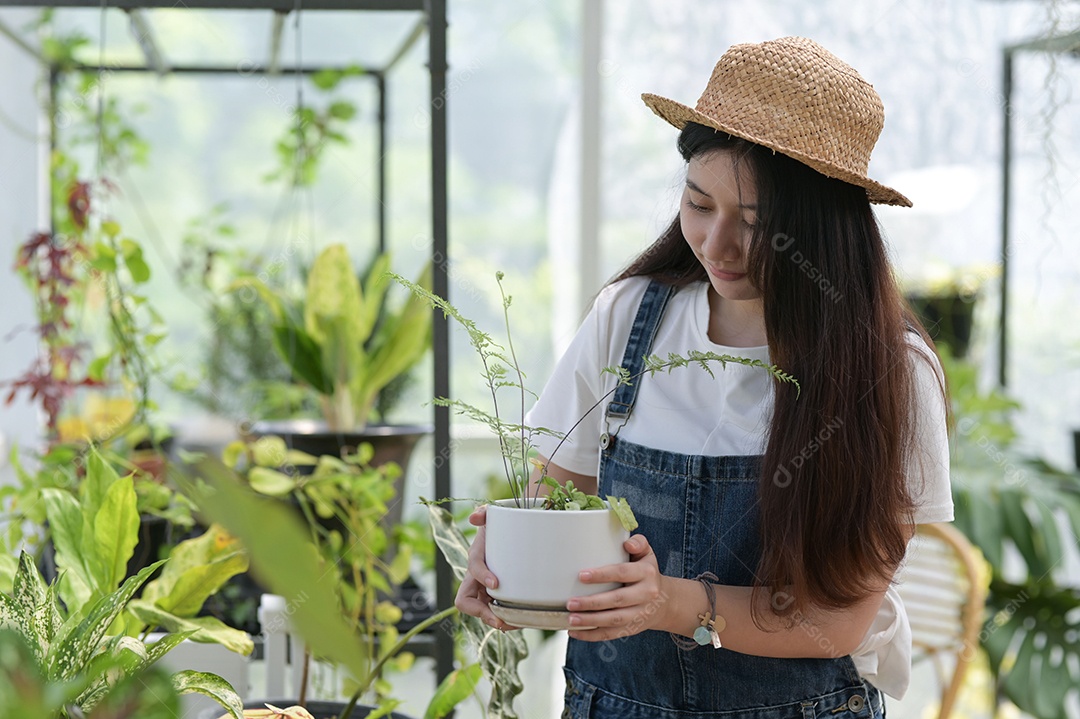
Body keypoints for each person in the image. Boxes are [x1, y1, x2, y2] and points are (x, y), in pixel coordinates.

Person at [456, 36, 952, 719]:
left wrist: (669, 602)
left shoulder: (889, 371)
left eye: (755, 222)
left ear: (825, 230)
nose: (716, 245)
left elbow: (834, 620)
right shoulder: (627, 318)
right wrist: (509, 561)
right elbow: (559, 500)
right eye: (697, 203)